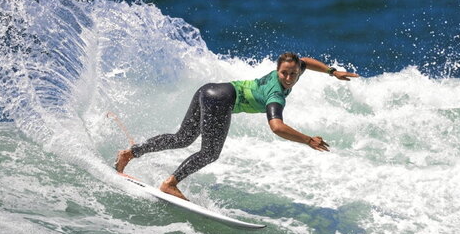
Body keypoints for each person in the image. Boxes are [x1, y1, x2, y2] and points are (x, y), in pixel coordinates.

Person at [115, 53, 359, 200]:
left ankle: (130, 153)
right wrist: (307, 139)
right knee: (209, 152)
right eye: (284, 73)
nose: (288, 78)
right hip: (222, 100)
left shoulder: (295, 69)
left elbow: (304, 61)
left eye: (293, 74)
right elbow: (276, 126)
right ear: (278, 70)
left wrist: (331, 71)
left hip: (209, 89)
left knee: (183, 138)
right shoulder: (276, 94)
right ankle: (170, 184)